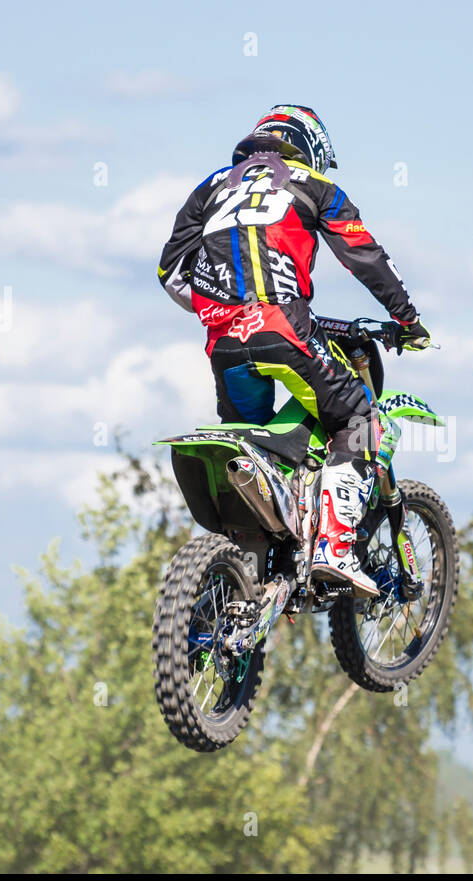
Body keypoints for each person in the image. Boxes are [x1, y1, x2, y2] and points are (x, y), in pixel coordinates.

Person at [158, 105, 430, 596]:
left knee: (258, 440)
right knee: (359, 421)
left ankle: (254, 571)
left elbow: (171, 273)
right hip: (284, 333)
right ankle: (334, 549)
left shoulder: (211, 187)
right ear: (309, 148)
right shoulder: (314, 185)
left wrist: (224, 308)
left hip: (223, 344)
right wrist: (407, 318)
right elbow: (363, 255)